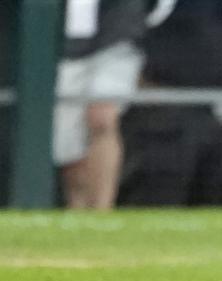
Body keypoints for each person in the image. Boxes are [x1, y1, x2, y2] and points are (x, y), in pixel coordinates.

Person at [54, 0, 176, 209]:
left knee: (102, 118)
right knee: (70, 148)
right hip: (63, 47)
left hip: (116, 39)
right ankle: (78, 209)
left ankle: (103, 210)